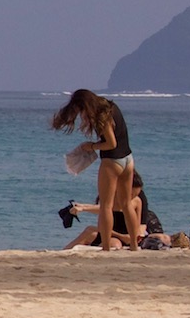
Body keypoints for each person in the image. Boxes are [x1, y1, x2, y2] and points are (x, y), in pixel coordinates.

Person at [51, 89, 137, 251]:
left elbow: (111, 143)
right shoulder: (111, 107)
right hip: (128, 159)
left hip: (112, 161)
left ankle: (106, 247)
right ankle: (134, 245)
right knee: (126, 205)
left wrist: (91, 146)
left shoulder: (101, 116)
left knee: (106, 206)